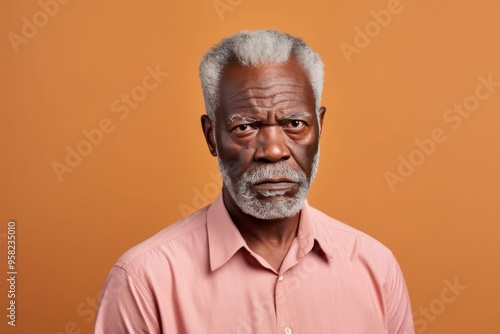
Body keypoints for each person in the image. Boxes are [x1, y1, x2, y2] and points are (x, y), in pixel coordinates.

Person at [94, 29, 415, 334]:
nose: (274, 150)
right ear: (211, 137)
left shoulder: (376, 267)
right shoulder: (144, 281)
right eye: (245, 127)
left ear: (319, 128)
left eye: (294, 123)